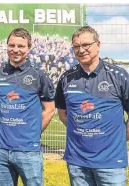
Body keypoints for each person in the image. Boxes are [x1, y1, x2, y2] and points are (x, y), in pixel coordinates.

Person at [55, 26, 129, 186]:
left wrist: (121, 137)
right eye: (76, 46)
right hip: (77, 163)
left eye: (86, 45)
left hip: (111, 163)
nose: (81, 50)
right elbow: (62, 113)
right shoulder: (66, 78)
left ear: (98, 45)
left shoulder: (118, 76)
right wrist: (81, 133)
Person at [0, 28, 55, 186]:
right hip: (1, 151)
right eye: (12, 45)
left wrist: (33, 133)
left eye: (21, 46)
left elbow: (50, 109)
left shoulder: (39, 75)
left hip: (28, 151)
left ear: (29, 48)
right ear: (6, 46)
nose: (15, 50)